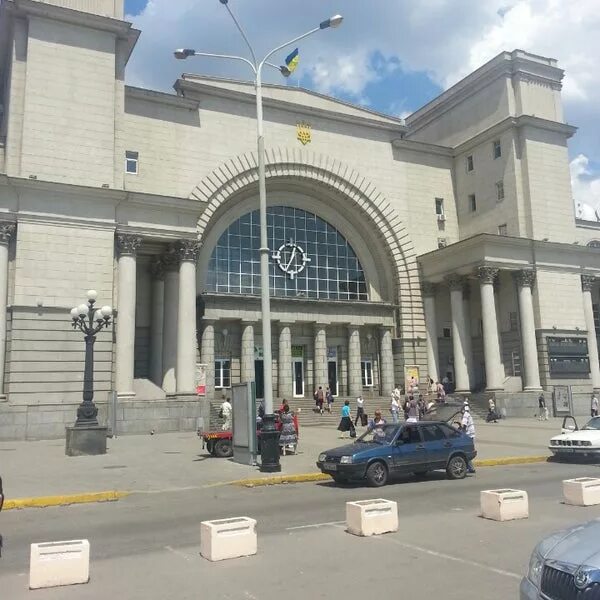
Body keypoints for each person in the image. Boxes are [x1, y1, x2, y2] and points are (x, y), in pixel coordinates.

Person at [461, 406, 476, 474]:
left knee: (466, 451)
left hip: (468, 435)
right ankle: (470, 468)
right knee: (467, 451)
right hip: (471, 434)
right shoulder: (468, 415)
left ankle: (471, 468)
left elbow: (464, 426)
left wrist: (461, 433)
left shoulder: (465, 416)